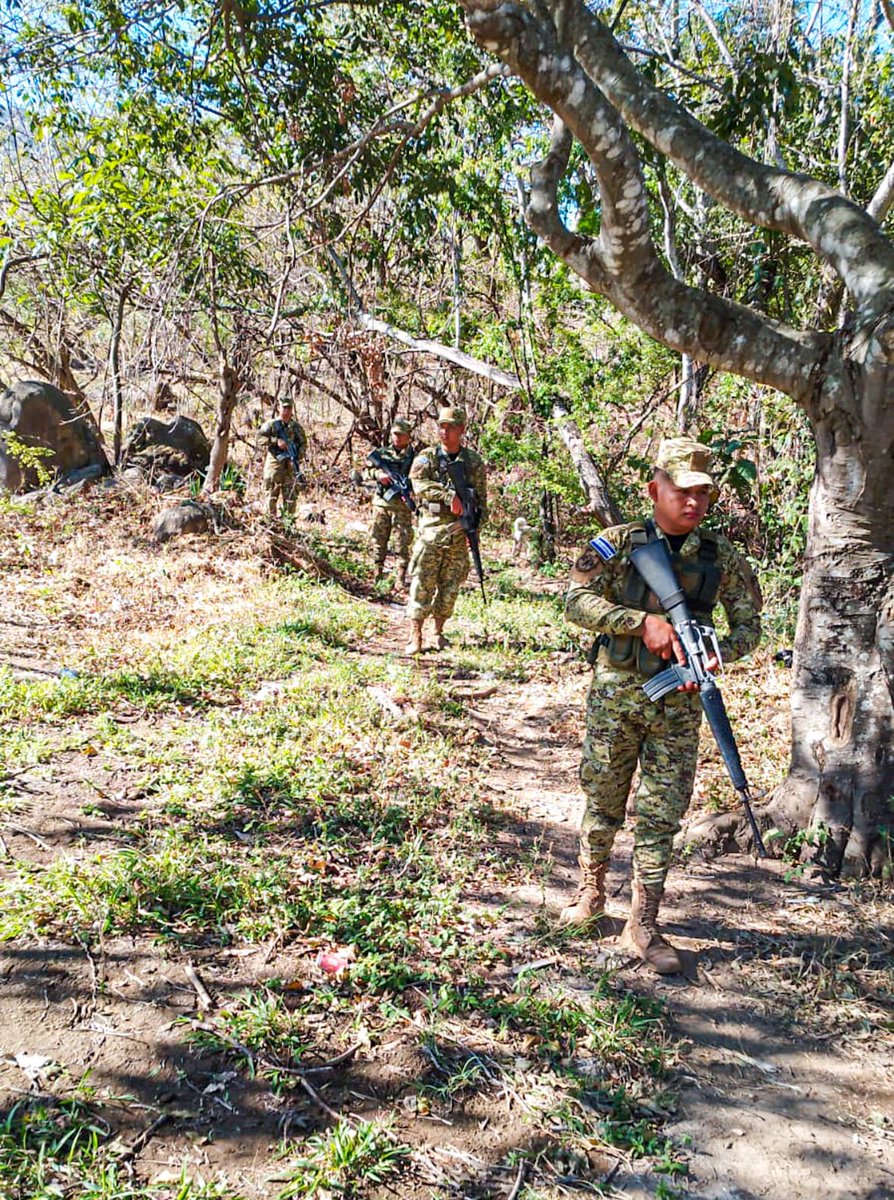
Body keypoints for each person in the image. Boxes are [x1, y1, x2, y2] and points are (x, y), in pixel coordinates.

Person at [562, 436, 761, 974]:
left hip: (678, 705)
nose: (692, 501)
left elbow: (750, 629)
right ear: (655, 489)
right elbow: (575, 600)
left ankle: (644, 922)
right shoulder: (618, 543)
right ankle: (590, 892)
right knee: (603, 797)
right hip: (615, 698)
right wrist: (640, 622)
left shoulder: (722, 559)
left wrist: (716, 655)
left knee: (660, 814)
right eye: (681, 489)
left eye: (703, 492)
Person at [404, 406, 488, 656]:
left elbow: (481, 500)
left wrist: (473, 527)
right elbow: (417, 484)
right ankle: (415, 633)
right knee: (423, 580)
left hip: (460, 531)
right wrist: (448, 494)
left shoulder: (472, 461)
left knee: (451, 584)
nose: (445, 431)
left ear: (462, 430)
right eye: (442, 426)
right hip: (432, 526)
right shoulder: (427, 457)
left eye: (451, 427)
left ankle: (438, 632)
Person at [365, 418, 416, 585]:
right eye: (395, 434)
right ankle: (377, 575)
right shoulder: (381, 454)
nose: (397, 438)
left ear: (409, 436)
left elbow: (422, 478)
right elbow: (366, 472)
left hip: (402, 507)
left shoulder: (415, 458)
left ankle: (400, 579)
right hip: (381, 503)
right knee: (378, 540)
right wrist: (379, 475)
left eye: (401, 435)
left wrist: (410, 488)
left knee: (402, 543)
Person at [259, 400, 307, 519]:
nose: (286, 411)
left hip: (290, 466)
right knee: (271, 493)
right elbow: (260, 439)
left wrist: (297, 457)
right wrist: (276, 441)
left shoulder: (296, 427)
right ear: (279, 408)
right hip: (275, 463)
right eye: (284, 408)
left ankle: (288, 523)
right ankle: (270, 522)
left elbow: (303, 443)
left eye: (289, 408)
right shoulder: (271, 424)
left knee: (291, 495)